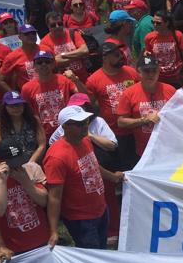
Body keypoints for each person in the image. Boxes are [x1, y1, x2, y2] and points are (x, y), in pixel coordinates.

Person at [44, 105, 123, 249]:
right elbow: (54, 197)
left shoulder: (85, 141)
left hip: (100, 208)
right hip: (81, 219)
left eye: (86, 122)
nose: (85, 126)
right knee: (91, 255)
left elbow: (93, 165)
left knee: (101, 250)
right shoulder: (56, 157)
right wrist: (53, 231)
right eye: (79, 124)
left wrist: (113, 177)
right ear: (65, 126)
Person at [0, 138, 50, 255]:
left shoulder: (31, 168)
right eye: (12, 164)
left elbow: (45, 201)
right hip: (14, 248)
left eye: (19, 161)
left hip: (43, 240)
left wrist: (25, 182)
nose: (18, 166)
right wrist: (2, 182)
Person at [85, 41, 141, 169]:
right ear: (104, 58)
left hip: (137, 128)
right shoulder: (93, 80)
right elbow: (90, 105)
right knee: (124, 168)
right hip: (115, 133)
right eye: (116, 55)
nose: (121, 56)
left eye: (120, 53)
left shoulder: (131, 72)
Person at [116, 56, 177, 159]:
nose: (151, 75)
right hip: (144, 151)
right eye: (146, 71)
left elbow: (180, 114)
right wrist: (144, 120)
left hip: (169, 147)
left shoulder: (170, 90)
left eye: (154, 71)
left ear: (159, 71)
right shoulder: (128, 94)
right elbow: (121, 122)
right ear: (138, 72)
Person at [19, 51, 83, 137]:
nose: (44, 64)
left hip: (67, 130)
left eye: (47, 62)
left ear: (53, 64)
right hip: (44, 133)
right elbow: (26, 113)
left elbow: (83, 96)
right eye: (39, 62)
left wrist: (75, 80)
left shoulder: (64, 80)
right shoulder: (27, 88)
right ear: (34, 66)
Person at [0, 90, 45, 164]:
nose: (16, 108)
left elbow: (42, 145)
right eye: (12, 106)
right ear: (5, 107)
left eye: (19, 105)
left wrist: (30, 163)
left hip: (33, 162)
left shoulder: (34, 120)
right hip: (10, 164)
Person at [144, 10, 183, 86]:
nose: (155, 25)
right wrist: (146, 56)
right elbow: (147, 56)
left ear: (167, 23)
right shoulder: (149, 37)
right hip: (159, 77)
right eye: (153, 22)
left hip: (176, 77)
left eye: (158, 23)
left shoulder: (178, 35)